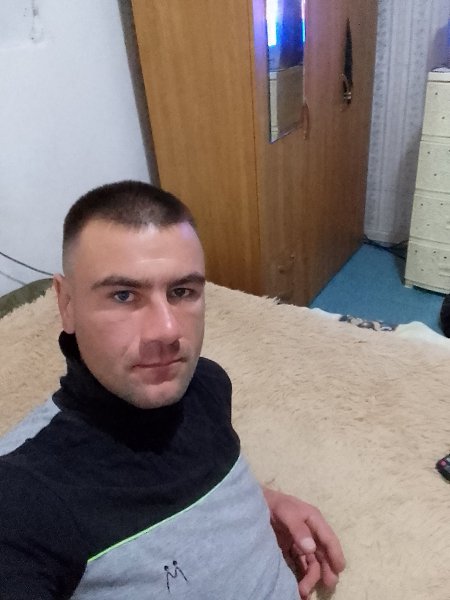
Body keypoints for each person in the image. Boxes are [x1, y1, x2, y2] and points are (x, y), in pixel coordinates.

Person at [0, 181, 345, 599]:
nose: (167, 331)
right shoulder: (21, 495)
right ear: (66, 304)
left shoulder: (208, 384)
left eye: (182, 292)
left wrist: (262, 503)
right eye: (124, 295)